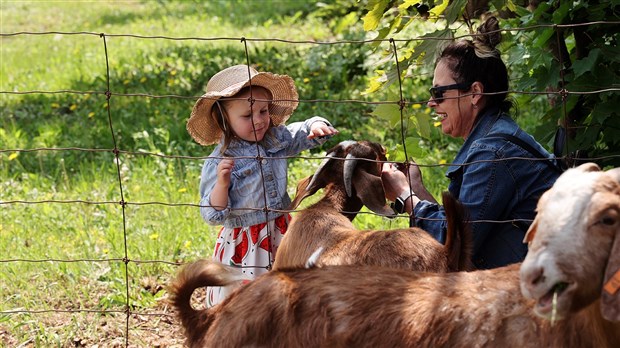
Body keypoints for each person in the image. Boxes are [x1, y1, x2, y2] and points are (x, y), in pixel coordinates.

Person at [381, 16, 561, 270]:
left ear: (475, 93)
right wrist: (416, 188)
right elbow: (453, 225)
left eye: (439, 93)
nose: (432, 103)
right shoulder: (493, 138)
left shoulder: (492, 153)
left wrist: (403, 195)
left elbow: (454, 248)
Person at [187, 64, 338, 306]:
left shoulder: (274, 138)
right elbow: (211, 214)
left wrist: (315, 126)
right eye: (247, 116)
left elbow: (297, 132)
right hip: (245, 243)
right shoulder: (221, 160)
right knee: (245, 301)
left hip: (281, 231)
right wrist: (222, 185)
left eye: (264, 111)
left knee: (284, 292)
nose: (259, 121)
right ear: (224, 119)